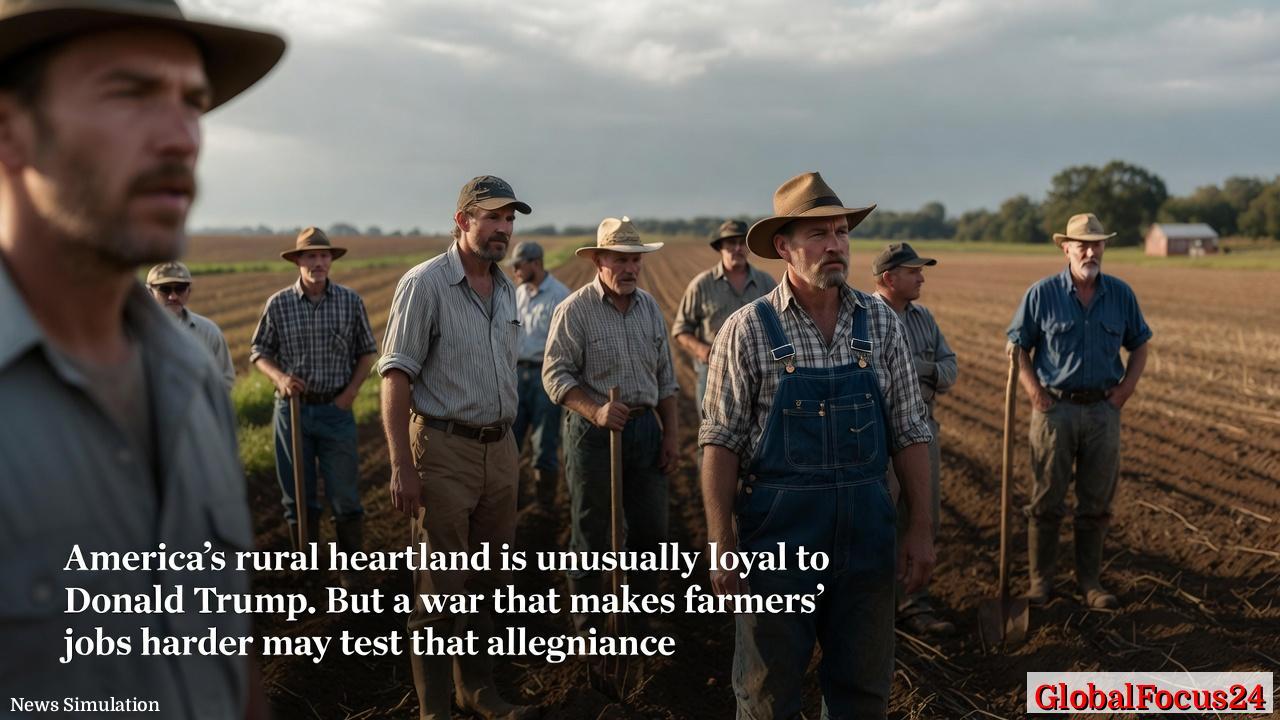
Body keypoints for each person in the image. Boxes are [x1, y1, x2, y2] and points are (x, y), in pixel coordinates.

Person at [0, 1, 283, 716]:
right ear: (8, 130)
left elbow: (225, 644)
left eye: (192, 101)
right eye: (129, 93)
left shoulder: (192, 378)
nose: (182, 137)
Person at [700, 172, 936, 719]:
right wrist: (720, 540)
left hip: (865, 541)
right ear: (783, 247)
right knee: (767, 695)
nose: (835, 245)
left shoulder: (879, 322)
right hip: (777, 544)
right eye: (817, 235)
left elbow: (910, 429)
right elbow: (719, 444)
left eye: (840, 232)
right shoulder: (746, 330)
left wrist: (921, 527)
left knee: (862, 692)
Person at [378, 175, 538, 720]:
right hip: (444, 448)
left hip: (501, 448)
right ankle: (434, 709)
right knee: (441, 584)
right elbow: (396, 376)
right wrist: (402, 464)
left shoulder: (508, 289)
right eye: (492, 217)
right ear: (462, 220)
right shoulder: (424, 285)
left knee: (491, 580)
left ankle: (477, 690)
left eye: (510, 219)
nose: (503, 229)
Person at [542, 216, 679, 631]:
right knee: (591, 526)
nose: (630, 268)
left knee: (652, 528)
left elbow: (666, 378)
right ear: (599, 260)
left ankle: (636, 615)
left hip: (644, 430)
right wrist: (597, 411)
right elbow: (555, 375)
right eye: (620, 259)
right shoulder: (575, 309)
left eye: (635, 260)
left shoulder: (649, 308)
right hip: (593, 434)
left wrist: (670, 434)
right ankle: (587, 621)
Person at [1007, 212, 1150, 610]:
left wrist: (1124, 391)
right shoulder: (1042, 294)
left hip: (1104, 411)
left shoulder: (1121, 295)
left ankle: (1090, 583)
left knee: (1096, 503)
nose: (1090, 251)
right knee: (1046, 500)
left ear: (1104, 248)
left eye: (1097, 244)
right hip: (1055, 411)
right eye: (1082, 244)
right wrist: (1034, 391)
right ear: (1066, 248)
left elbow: (1140, 344)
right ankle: (1041, 584)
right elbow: (1018, 346)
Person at [249, 227, 377, 573]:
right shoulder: (279, 304)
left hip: (336, 410)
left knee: (345, 497)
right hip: (292, 412)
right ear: (298, 262)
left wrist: (350, 394)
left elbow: (367, 352)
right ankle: (306, 572)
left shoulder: (350, 302)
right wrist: (280, 378)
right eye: (311, 256)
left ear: (330, 261)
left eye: (324, 256)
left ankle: (352, 574)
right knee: (298, 499)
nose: (318, 262)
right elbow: (259, 350)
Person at [870, 242, 958, 637]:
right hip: (875, 434)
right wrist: (924, 371)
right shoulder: (862, 317)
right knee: (877, 520)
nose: (922, 277)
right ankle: (875, 608)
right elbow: (874, 376)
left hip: (924, 428)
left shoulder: (924, 318)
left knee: (922, 519)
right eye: (914, 271)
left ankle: (914, 604)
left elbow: (950, 368)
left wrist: (914, 367)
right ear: (889, 278)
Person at [672, 219, 776, 415]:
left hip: (759, 372)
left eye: (742, 242)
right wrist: (701, 349)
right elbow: (681, 329)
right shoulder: (701, 285)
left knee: (758, 433)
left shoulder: (766, 283)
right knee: (714, 435)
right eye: (730, 243)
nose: (737, 248)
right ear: (720, 247)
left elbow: (780, 322)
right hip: (713, 371)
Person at [510, 240, 571, 511]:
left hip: (544, 378)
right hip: (515, 375)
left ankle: (544, 505)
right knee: (509, 442)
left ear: (535, 263)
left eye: (518, 265)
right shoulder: (516, 295)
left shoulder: (560, 296)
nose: (515, 270)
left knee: (545, 445)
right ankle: (508, 499)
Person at [147, 260, 236, 390]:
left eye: (180, 289)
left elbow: (225, 380)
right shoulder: (132, 333)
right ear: (150, 292)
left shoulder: (209, 331)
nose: (173, 296)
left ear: (189, 291)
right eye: (164, 289)